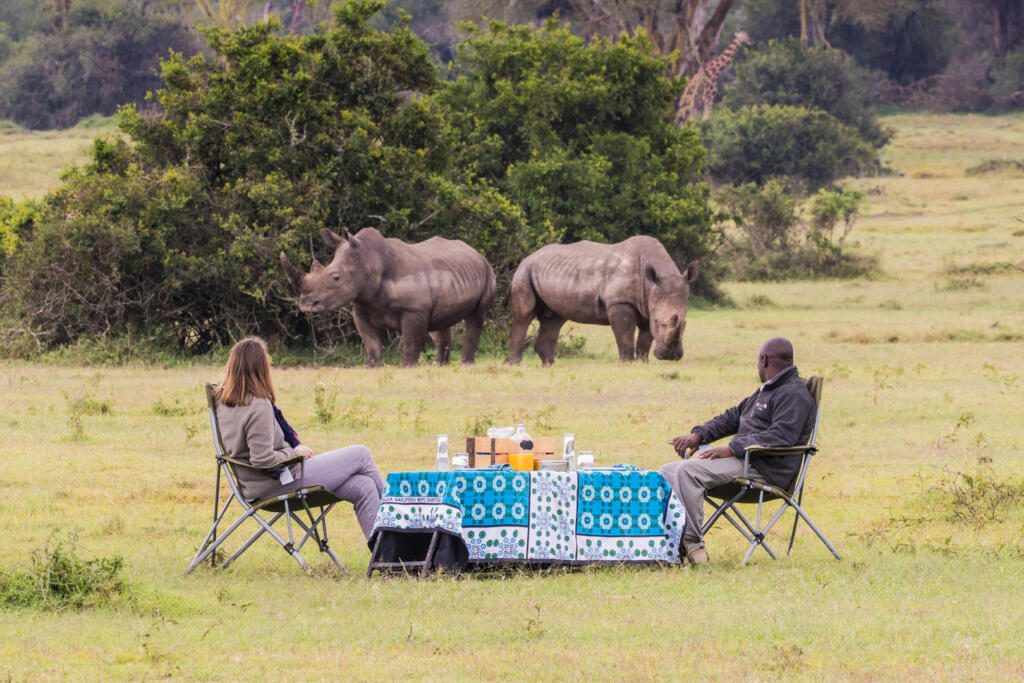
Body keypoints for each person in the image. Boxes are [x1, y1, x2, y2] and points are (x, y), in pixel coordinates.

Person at [660, 337, 815, 566]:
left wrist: (732, 448)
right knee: (667, 471)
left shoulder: (793, 394)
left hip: (764, 470)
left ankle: (693, 544)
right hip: (745, 461)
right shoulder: (767, 390)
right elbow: (734, 417)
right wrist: (699, 435)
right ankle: (672, 543)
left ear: (763, 360)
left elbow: (782, 437)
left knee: (687, 472)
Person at [214, 336, 384, 542]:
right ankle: (401, 520)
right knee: (361, 454)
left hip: (258, 484)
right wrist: (296, 453)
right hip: (278, 483)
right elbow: (262, 460)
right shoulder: (258, 406)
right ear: (261, 368)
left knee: (363, 486)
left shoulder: (222, 399)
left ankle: (386, 554)